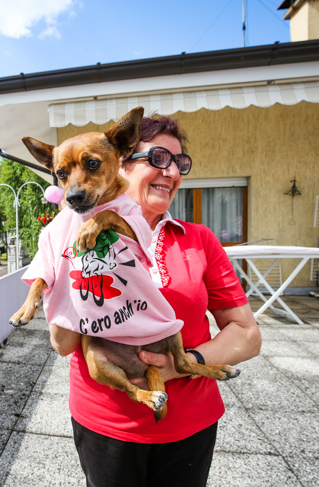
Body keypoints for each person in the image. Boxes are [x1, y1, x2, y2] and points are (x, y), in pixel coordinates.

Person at [48, 115, 262, 487]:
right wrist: (61, 257)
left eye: (180, 163)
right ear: (122, 161)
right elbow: (63, 344)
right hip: (106, 421)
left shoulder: (198, 239)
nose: (173, 172)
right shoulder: (74, 237)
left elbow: (247, 335)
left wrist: (181, 365)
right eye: (159, 158)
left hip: (190, 422)